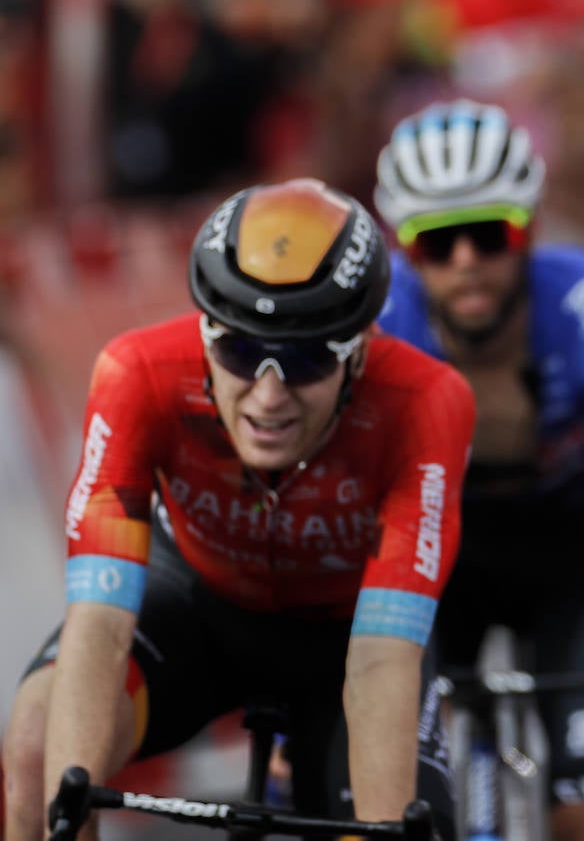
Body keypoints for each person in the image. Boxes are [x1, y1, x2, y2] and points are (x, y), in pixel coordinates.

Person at [2, 178, 475, 841]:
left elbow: (382, 657)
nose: (268, 396)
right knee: (35, 741)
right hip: (196, 614)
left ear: (359, 348)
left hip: (348, 639)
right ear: (205, 332)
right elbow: (102, 622)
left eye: (307, 360)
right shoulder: (137, 374)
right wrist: (66, 812)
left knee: (391, 828)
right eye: (240, 351)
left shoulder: (424, 403)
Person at [372, 98, 584, 841]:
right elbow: (346, 521)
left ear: (530, 228)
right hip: (427, 556)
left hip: (568, 554)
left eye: (490, 233)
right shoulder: (374, 320)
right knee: (381, 798)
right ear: (405, 251)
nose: (468, 260)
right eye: (437, 243)